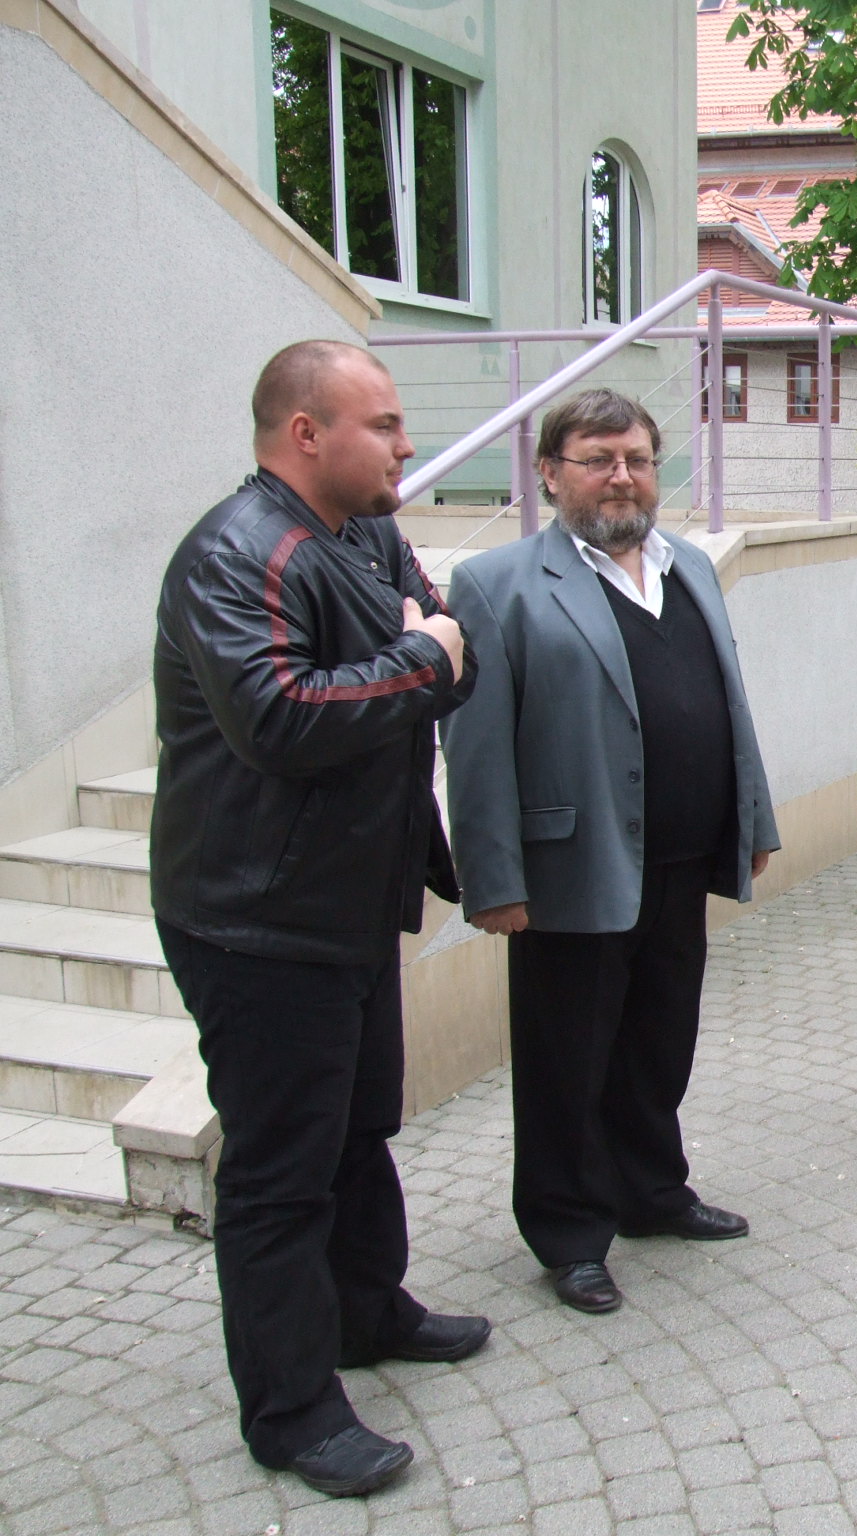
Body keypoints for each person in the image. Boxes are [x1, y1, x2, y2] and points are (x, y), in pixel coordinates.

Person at [152, 340, 485, 1498]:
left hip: (349, 904)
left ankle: (365, 1312)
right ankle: (291, 1413)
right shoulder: (235, 554)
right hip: (257, 922)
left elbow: (456, 650)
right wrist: (418, 655)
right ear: (305, 433)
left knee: (357, 1130)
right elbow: (282, 718)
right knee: (280, 1171)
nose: (405, 446)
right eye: (382, 424)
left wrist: (423, 653)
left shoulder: (367, 535)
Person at [442, 389, 779, 1314]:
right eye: (597, 459)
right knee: (568, 1060)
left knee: (659, 1041)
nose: (621, 476)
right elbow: (475, 748)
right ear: (551, 475)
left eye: (635, 457)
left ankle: (652, 1192)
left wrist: (752, 820)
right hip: (571, 870)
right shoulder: (497, 585)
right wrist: (492, 879)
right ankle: (568, 1231)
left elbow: (728, 699)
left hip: (681, 858)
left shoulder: (688, 567)